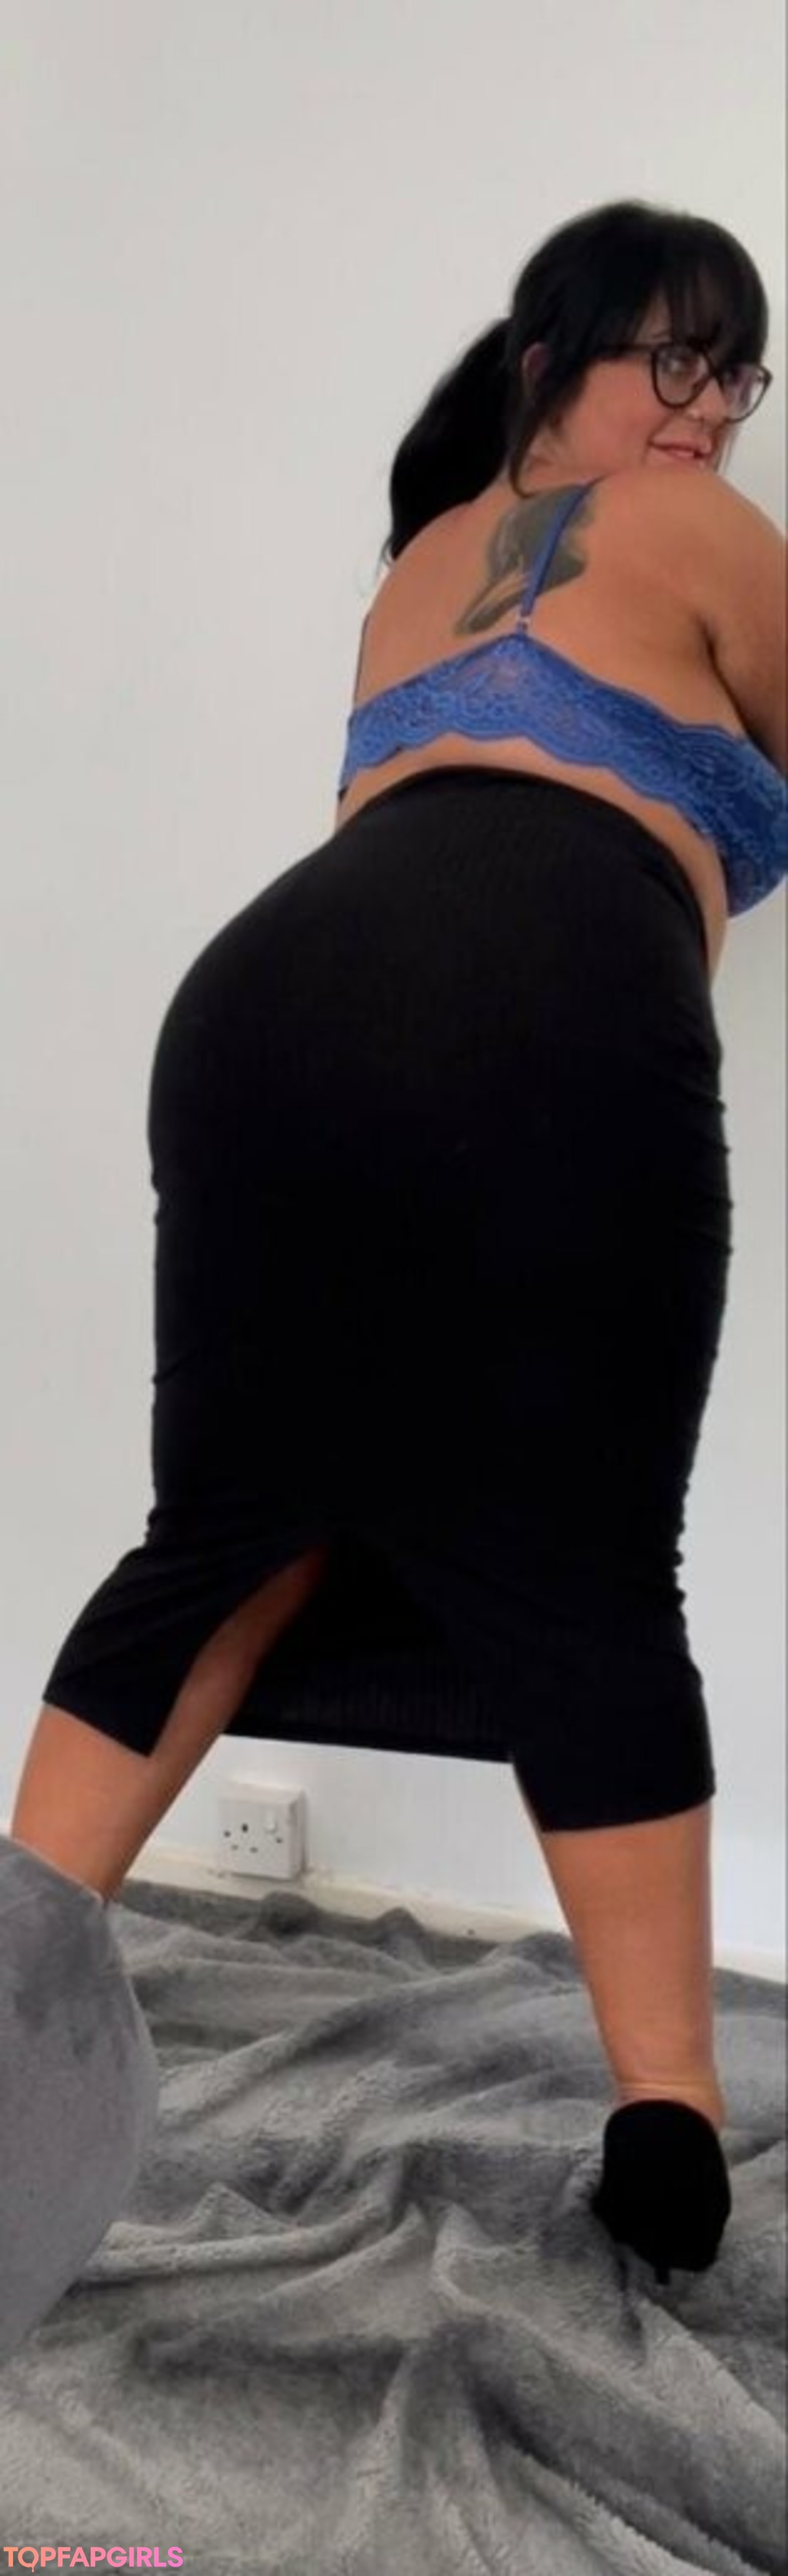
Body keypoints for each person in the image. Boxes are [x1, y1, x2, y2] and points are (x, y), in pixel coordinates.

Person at [9, 198, 786, 2284]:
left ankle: (7, 1975)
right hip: (550, 1004)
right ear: (555, 359)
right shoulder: (705, 535)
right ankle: (668, 2124)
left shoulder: (421, 563)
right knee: (586, 1558)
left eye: (738, 372)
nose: (710, 407)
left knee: (228, 1529)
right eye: (673, 355)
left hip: (260, 1009)